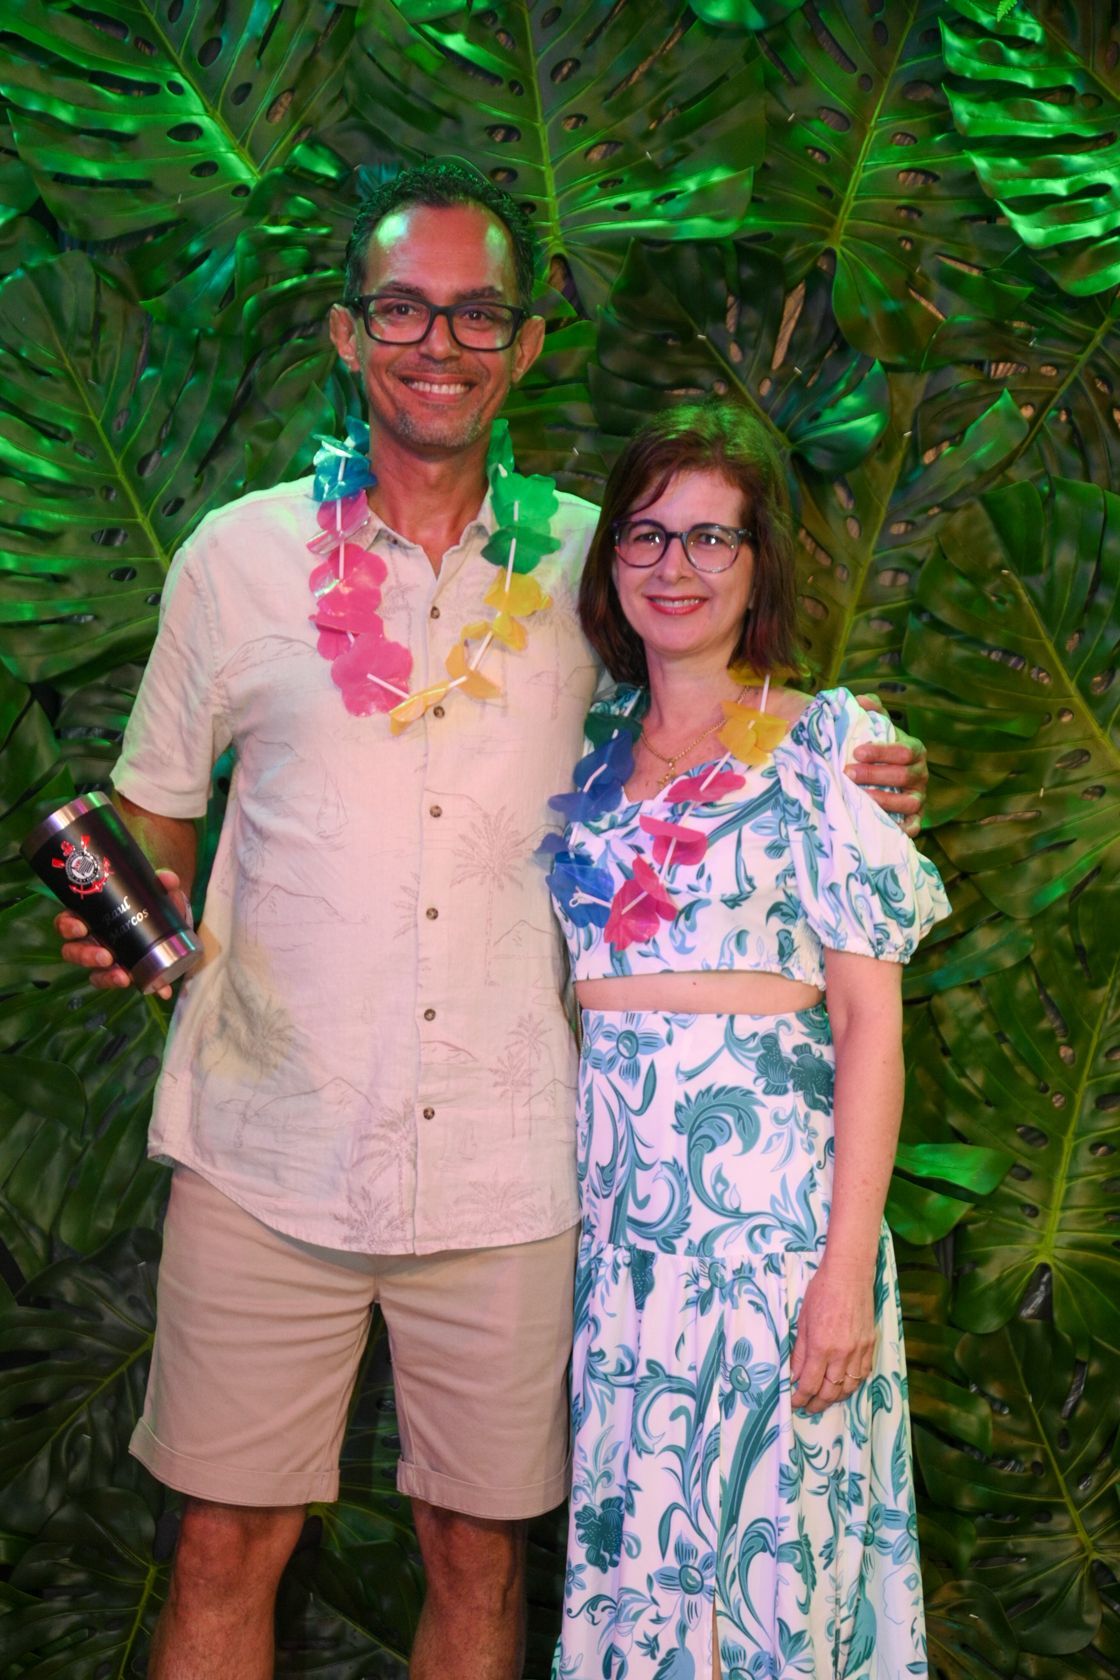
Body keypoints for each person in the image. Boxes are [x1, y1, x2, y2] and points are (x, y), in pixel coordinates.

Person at [52, 162, 929, 1680]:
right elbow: (158, 818)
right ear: (348, 333)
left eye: (476, 315)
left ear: (524, 346)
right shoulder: (235, 559)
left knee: (479, 1555)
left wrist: (860, 760)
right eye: (404, 309)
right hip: (268, 1144)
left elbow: (715, 720)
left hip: (511, 1170)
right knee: (222, 1545)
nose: (438, 344)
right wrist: (131, 900)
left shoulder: (605, 564)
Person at [544, 401, 949, 1679]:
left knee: (766, 1586)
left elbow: (870, 1024)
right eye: (647, 534)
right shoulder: (584, 747)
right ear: (611, 556)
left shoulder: (834, 742)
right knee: (644, 1582)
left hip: (775, 1244)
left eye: (712, 538)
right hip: (621, 1254)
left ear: (760, 561)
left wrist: (843, 1274)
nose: (676, 567)